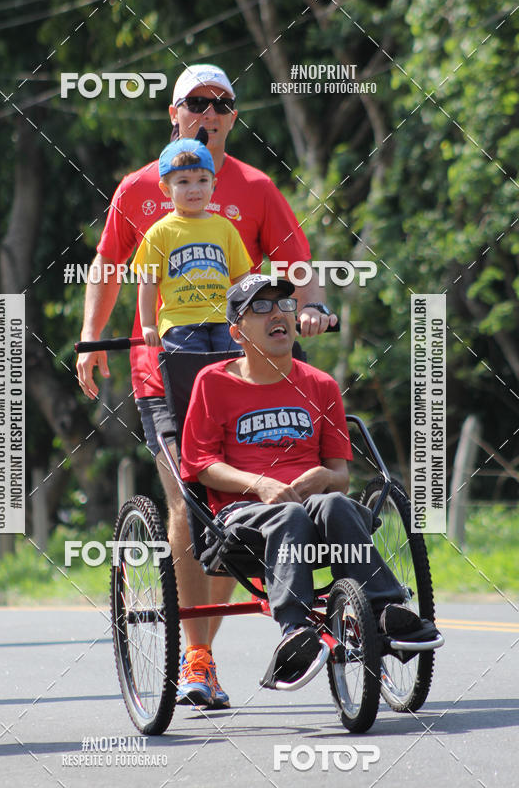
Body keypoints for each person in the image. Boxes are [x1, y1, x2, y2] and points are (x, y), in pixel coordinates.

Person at [77, 63, 337, 709]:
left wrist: (310, 307)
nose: (210, 113)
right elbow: (110, 267)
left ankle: (234, 634)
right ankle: (196, 656)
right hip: (161, 371)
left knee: (238, 502)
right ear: (174, 113)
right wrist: (91, 336)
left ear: (233, 118)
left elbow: (296, 262)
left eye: (222, 105)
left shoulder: (254, 187)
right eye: (197, 102)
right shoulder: (138, 190)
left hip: (243, 376)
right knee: (190, 500)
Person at [180, 275, 438, 693]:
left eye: (284, 304)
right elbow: (200, 464)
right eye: (260, 308)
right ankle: (295, 633)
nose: (278, 313)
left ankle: (385, 610)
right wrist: (260, 485)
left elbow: (339, 475)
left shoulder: (321, 385)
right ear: (237, 332)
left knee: (335, 504)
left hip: (315, 511)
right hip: (243, 518)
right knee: (287, 513)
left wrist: (323, 477)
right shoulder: (213, 382)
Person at [134, 135, 251, 352]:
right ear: (166, 189)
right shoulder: (159, 232)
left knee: (231, 375)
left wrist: (245, 316)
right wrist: (148, 324)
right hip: (180, 322)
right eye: (183, 182)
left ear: (214, 184)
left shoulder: (225, 228)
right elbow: (148, 282)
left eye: (202, 181)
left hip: (224, 319)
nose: (194, 189)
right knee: (191, 377)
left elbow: (242, 279)